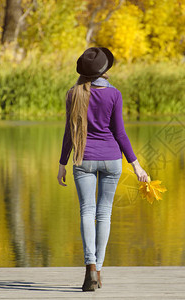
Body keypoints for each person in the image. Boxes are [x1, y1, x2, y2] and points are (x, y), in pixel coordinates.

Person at [57, 47, 148, 292]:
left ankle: (90, 267)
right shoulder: (114, 94)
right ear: (104, 70)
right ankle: (98, 269)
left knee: (87, 212)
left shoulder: (73, 93)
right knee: (104, 214)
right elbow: (119, 133)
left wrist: (62, 163)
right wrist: (136, 165)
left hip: (82, 159)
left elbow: (69, 132)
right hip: (111, 160)